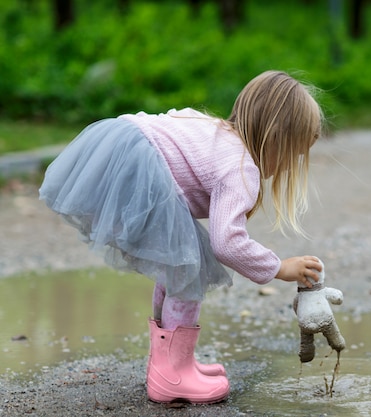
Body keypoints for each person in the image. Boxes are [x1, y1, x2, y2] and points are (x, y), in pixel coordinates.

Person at [39, 70, 324, 404]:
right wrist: (279, 267)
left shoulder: (213, 129)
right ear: (275, 138)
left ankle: (172, 364)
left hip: (122, 143)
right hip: (141, 168)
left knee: (178, 264)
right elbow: (227, 242)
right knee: (189, 268)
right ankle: (171, 374)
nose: (291, 167)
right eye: (294, 154)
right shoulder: (240, 166)